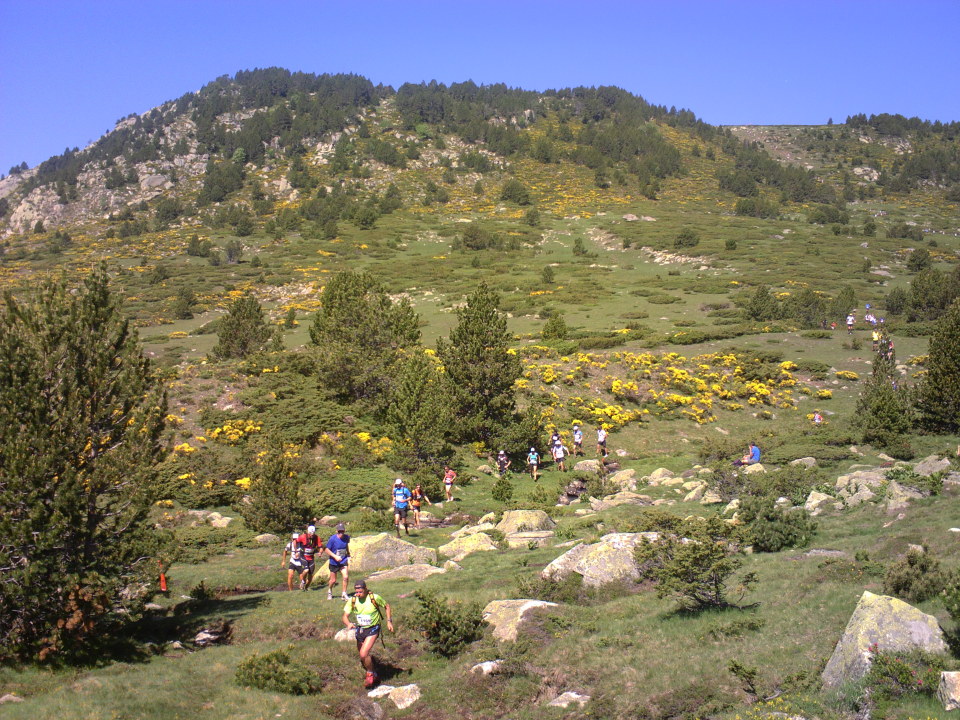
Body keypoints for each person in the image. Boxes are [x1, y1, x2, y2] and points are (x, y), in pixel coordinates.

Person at [342, 579, 393, 689]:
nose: (358, 594)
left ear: (365, 589)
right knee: (362, 656)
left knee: (364, 653)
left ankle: (370, 673)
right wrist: (348, 624)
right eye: (356, 592)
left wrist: (389, 621)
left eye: (360, 591)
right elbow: (345, 616)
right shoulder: (353, 600)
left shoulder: (374, 598)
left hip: (373, 628)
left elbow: (387, 606)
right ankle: (375, 673)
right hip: (360, 630)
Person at [325, 523, 351, 601]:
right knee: (333, 580)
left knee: (346, 577)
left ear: (344, 531)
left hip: (343, 560)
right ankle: (329, 591)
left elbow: (346, 545)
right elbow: (326, 549)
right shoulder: (332, 539)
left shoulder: (347, 538)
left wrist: (348, 554)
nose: (341, 533)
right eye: (339, 531)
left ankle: (344, 594)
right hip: (334, 562)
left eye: (342, 531)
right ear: (336, 531)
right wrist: (335, 556)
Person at [297, 525, 321, 591]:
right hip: (303, 556)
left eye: (313, 534)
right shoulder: (303, 537)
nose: (312, 535)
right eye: (310, 534)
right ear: (308, 532)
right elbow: (295, 541)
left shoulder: (316, 538)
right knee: (306, 570)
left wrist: (320, 552)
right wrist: (296, 551)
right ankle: (303, 581)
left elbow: (320, 547)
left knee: (310, 576)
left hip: (311, 558)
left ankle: (306, 588)